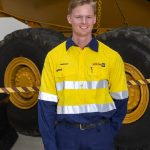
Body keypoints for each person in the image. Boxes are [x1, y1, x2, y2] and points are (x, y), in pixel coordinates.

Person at [38, 0, 128, 150]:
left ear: (94, 19)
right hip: (66, 136)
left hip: (100, 135)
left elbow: (121, 100)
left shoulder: (112, 57)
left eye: (88, 17)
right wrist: (50, 144)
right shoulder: (53, 57)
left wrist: (108, 132)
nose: (84, 22)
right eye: (78, 17)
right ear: (69, 19)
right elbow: (46, 106)